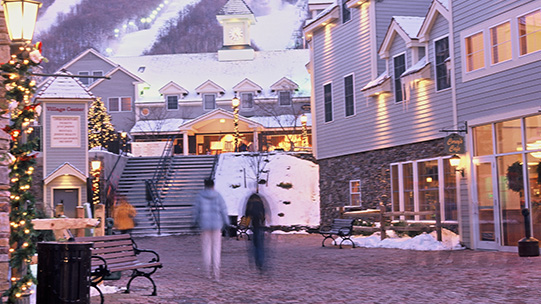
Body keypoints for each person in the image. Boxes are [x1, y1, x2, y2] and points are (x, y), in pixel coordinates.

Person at [193, 178, 229, 281]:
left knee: (206, 249)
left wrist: (194, 222)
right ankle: (216, 273)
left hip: (205, 225)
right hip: (217, 225)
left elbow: (196, 210)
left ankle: (207, 273)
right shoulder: (218, 196)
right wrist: (226, 222)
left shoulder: (200, 196)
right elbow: (223, 209)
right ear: (213, 185)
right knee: (216, 249)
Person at [245, 193, 266, 270]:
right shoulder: (260, 203)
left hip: (254, 225)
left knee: (255, 244)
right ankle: (260, 261)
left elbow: (247, 213)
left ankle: (257, 261)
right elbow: (263, 213)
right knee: (260, 244)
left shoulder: (250, 203)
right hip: (260, 225)